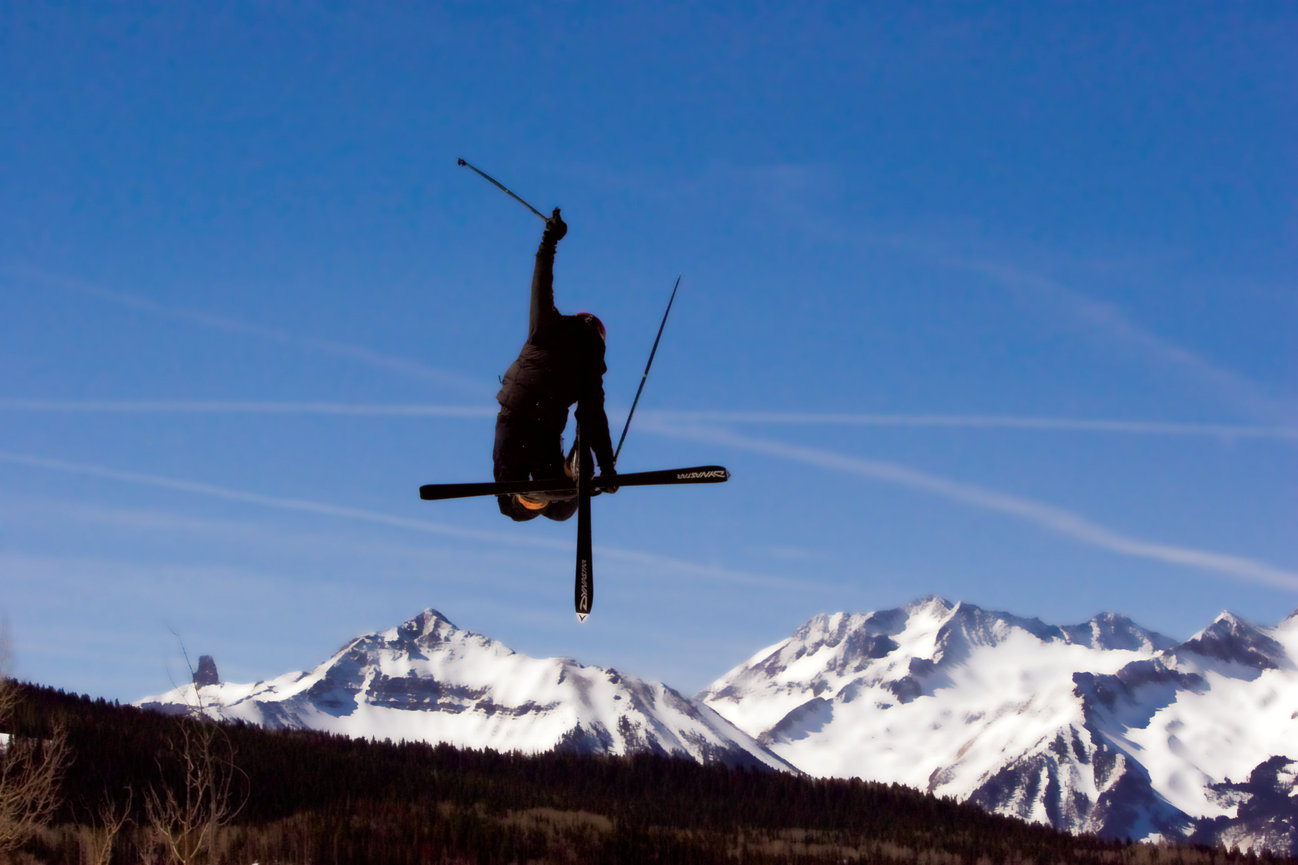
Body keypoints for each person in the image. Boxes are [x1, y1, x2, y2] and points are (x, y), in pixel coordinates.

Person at [493, 208, 617, 521]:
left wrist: (550, 239)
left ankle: (540, 490)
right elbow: (592, 416)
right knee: (561, 512)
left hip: (516, 421)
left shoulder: (548, 327)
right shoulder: (590, 363)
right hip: (545, 433)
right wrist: (606, 467)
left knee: (514, 509)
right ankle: (571, 473)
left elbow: (541, 282)